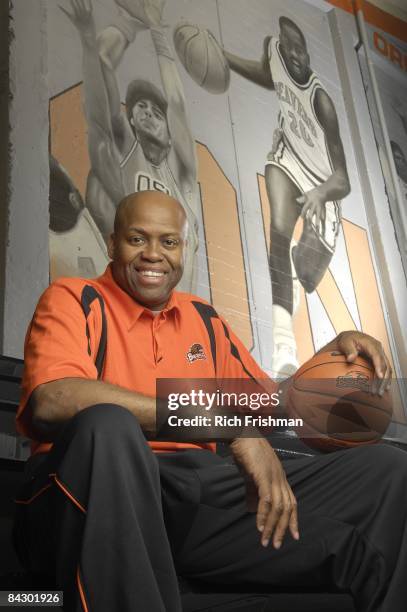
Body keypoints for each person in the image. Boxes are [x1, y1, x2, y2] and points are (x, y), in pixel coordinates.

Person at [15, 190, 406, 612]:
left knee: (386, 470)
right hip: (85, 493)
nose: (153, 255)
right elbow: (53, 400)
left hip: (193, 496)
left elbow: (272, 403)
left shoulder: (202, 318)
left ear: (185, 249)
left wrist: (333, 350)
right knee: (107, 425)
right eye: (136, 239)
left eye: (168, 242)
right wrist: (228, 427)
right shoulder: (74, 298)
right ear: (112, 244)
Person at [223, 16, 350, 379]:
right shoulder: (274, 52)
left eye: (300, 49)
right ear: (281, 42)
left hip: (322, 182)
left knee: (307, 275)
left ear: (308, 53)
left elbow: (343, 179)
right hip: (287, 159)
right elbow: (269, 76)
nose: (294, 54)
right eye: (289, 46)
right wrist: (224, 58)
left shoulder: (321, 101)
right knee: (278, 229)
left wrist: (320, 193)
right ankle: (283, 347)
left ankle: (294, 271)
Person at [63, 0, 199, 292]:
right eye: (140, 106)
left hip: (176, 306)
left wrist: (158, 32)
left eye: (156, 111)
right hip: (123, 298)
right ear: (132, 121)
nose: (148, 111)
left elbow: (176, 102)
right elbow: (100, 82)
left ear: (169, 128)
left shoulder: (182, 173)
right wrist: (94, 38)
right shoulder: (123, 158)